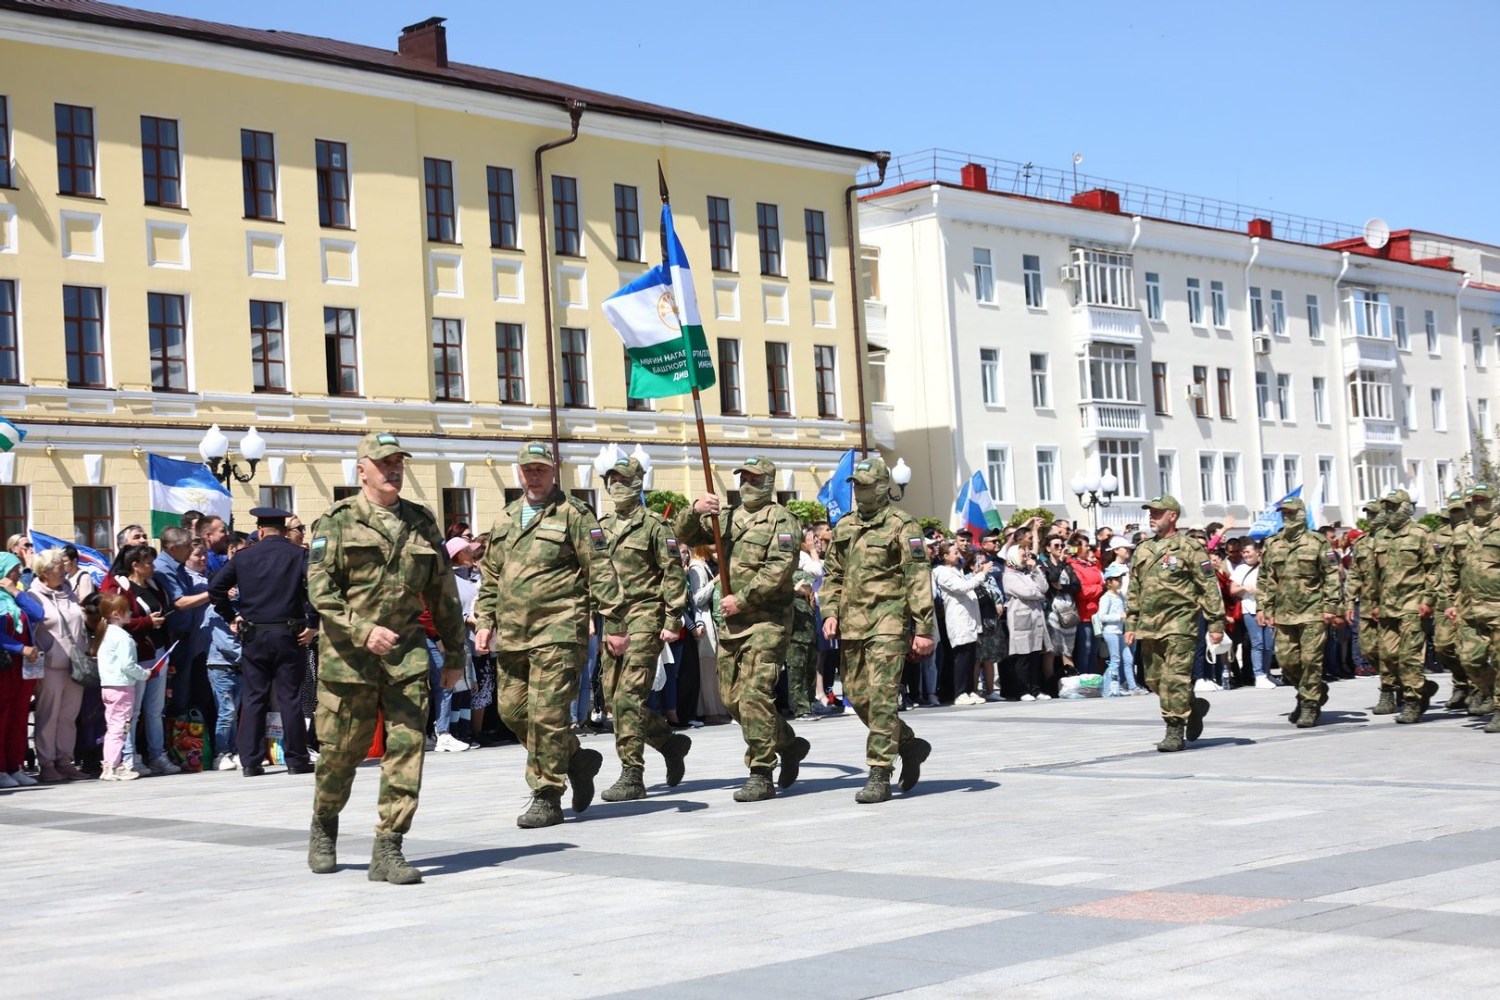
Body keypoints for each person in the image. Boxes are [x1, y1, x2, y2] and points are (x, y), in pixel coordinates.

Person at [305, 431, 468, 884]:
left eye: (398, 462)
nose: (393, 470)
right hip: (348, 660)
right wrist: (361, 628)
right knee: (342, 753)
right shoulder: (337, 520)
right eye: (383, 463)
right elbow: (320, 589)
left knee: (407, 750)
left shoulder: (421, 521)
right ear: (362, 469)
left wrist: (454, 652)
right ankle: (324, 822)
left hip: (407, 655)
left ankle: (389, 847)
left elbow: (443, 592)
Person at [473, 442, 626, 828]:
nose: (534, 476)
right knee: (512, 712)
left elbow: (601, 570)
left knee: (546, 716)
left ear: (553, 470)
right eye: (528, 470)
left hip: (558, 629)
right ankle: (575, 757)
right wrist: (485, 620)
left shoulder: (574, 513)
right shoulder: (507, 517)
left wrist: (616, 623)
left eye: (540, 469)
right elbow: (491, 576)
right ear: (519, 472)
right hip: (513, 634)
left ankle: (546, 795)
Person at [677, 455, 805, 802]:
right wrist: (695, 508)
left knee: (754, 696)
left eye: (754, 478)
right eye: (743, 478)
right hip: (732, 624)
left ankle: (761, 771)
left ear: (769, 481)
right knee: (732, 699)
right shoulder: (728, 518)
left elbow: (778, 570)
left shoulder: (782, 520)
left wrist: (742, 600)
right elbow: (683, 534)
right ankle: (788, 742)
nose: (746, 484)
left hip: (767, 620)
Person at [819, 456, 935, 803]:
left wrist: (924, 627)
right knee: (858, 697)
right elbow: (833, 574)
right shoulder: (845, 526)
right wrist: (829, 611)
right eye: (856, 485)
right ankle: (910, 744)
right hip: (852, 625)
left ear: (883, 486)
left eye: (867, 485)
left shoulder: (903, 525)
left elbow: (917, 577)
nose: (860, 491)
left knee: (883, 699)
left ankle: (879, 773)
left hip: (888, 622)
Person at [594, 455, 692, 802]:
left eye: (623, 479)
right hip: (611, 621)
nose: (616, 485)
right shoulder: (601, 526)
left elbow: (672, 573)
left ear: (638, 483)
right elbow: (594, 574)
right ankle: (668, 742)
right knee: (612, 699)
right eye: (612, 479)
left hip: (645, 618)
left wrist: (672, 619)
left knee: (628, 699)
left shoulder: (654, 525)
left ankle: (632, 774)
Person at [210, 507, 319, 777]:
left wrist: (231, 617)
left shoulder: (244, 557)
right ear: (284, 531)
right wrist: (313, 623)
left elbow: (215, 588)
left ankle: (250, 761)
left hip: (254, 635)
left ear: (260, 530)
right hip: (289, 634)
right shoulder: (299, 555)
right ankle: (296, 759)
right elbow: (318, 589)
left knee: (254, 697)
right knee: (290, 697)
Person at [1125, 496, 1224, 752]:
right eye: (1151, 513)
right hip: (1149, 625)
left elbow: (1208, 586)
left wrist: (1215, 623)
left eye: (1158, 513)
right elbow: (1134, 588)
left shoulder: (1189, 547)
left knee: (1175, 679)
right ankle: (1193, 705)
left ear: (1173, 515)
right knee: (1155, 680)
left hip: (1180, 623)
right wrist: (1131, 622)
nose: (1152, 517)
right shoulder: (1144, 549)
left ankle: (1174, 730)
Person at [1258, 498, 1341, 727]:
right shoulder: (1273, 543)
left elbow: (1331, 575)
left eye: (1291, 512)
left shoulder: (1317, 542)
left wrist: (1331, 607)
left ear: (1302, 514)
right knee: (1287, 663)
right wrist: (1264, 607)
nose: (1287, 517)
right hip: (1284, 614)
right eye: (1284, 513)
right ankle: (1311, 690)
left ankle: (1309, 705)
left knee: (1310, 661)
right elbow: (1266, 577)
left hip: (1312, 612)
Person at [103, 544, 179, 776]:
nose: (153, 567)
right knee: (132, 712)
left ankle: (157, 755)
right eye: (148, 563)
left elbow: (166, 617)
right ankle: (129, 758)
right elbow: (114, 620)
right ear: (135, 565)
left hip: (159, 653)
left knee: (155, 710)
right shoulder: (120, 587)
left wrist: (168, 652)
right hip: (136, 656)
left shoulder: (155, 587)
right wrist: (145, 623)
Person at [1367, 489, 1439, 724]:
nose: (1390, 511)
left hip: (1413, 604)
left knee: (1410, 656)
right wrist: (1375, 602)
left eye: (1394, 506)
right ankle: (1423, 687)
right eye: (1387, 507)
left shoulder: (1421, 534)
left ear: (1407, 507)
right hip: (1388, 606)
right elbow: (1376, 575)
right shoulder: (1381, 536)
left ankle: (1412, 701)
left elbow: (1433, 569)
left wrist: (1428, 600)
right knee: (1387, 655)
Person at [27, 548, 92, 782]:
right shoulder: (33, 596)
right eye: (57, 566)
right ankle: (46, 763)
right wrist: (35, 671)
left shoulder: (68, 592)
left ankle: (65, 760)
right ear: (44, 572)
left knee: (68, 716)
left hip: (75, 664)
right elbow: (30, 634)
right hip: (50, 666)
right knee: (48, 716)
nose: (63, 569)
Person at [1440, 483, 1500, 732]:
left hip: (1497, 607)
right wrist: (1448, 602)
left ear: (1493, 501)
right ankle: (1490, 692)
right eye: (1474, 501)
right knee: (1470, 660)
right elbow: (1450, 569)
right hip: (1469, 609)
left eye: (1483, 500)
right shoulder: (1461, 532)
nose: (1478, 505)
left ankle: (1498, 707)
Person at [1431, 492, 1481, 712]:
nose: (1457, 514)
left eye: (1460, 509)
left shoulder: (1480, 531)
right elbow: (1433, 567)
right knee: (1443, 646)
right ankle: (1461, 682)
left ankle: (1478, 689)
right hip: (1447, 598)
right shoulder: (1438, 536)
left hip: (1474, 598)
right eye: (1452, 510)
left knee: (1473, 648)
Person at [96, 593, 153, 781]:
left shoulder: (106, 634)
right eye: (127, 610)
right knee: (119, 728)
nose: (130, 613)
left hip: (108, 685)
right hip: (121, 687)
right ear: (116, 614)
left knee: (113, 726)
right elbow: (127, 665)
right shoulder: (122, 637)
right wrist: (144, 674)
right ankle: (111, 766)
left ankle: (111, 764)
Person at [0, 553, 44, 786]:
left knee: (19, 715)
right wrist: (20, 648)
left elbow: (38, 614)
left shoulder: (15, 596)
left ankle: (14, 766)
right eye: (14, 570)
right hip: (4, 666)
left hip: (23, 668)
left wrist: (16, 591)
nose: (18, 574)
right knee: (2, 716)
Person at [1345, 499, 1390, 709]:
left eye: (1374, 514)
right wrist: (1347, 602)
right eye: (1368, 514)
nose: (1371, 518)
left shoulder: (1393, 540)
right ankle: (1397, 682)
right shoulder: (1362, 543)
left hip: (1393, 605)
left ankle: (1391, 690)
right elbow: (1354, 574)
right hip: (1366, 606)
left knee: (1392, 651)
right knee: (1368, 648)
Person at [931, 542, 985, 704]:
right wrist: (981, 576)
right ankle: (959, 692)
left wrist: (976, 574)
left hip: (969, 617)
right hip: (958, 618)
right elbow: (962, 588)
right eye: (954, 552)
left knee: (970, 656)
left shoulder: (956, 570)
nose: (958, 555)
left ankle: (969, 690)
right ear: (945, 556)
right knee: (961, 657)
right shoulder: (940, 572)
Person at [1002, 533, 1049, 701]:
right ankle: (1023, 690)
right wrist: (1039, 595)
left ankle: (1036, 689)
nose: (1025, 558)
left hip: (1035, 618)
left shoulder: (1027, 573)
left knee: (1035, 654)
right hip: (1020, 618)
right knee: (1023, 656)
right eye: (1023, 555)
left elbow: (1043, 587)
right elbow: (1027, 592)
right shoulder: (1009, 575)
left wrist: (1035, 569)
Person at [688, 545, 730, 723]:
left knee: (715, 669)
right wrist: (715, 581)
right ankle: (709, 711)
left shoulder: (712, 563)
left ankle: (720, 709)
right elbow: (697, 598)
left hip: (717, 622)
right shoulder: (697, 566)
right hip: (704, 623)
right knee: (706, 669)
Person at [1231, 541, 1277, 690]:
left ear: (1258, 552)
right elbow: (1233, 590)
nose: (1246, 555)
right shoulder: (1241, 569)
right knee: (1257, 643)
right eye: (1243, 553)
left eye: (1248, 552)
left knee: (1269, 645)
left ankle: (1266, 673)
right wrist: (1244, 588)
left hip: (1268, 610)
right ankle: (1258, 675)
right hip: (1249, 609)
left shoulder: (1267, 567)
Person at [1097, 563, 1139, 696]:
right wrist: (1119, 616)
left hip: (1120, 632)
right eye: (1116, 579)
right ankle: (1110, 686)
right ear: (1108, 582)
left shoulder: (1120, 595)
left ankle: (1132, 686)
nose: (1119, 581)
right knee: (1115, 660)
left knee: (1128, 658)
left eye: (1120, 578)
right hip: (1110, 632)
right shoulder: (1106, 598)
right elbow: (1102, 616)